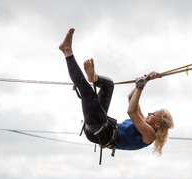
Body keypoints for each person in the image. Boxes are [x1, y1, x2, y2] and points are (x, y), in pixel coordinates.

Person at [59, 28, 173, 161]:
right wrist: (146, 78)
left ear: (158, 125)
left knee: (86, 91)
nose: (148, 114)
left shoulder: (150, 135)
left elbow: (131, 111)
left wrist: (140, 86)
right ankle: (94, 78)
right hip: (104, 124)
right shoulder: (144, 122)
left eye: (153, 114)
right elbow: (131, 98)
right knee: (109, 85)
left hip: (101, 133)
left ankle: (67, 51)